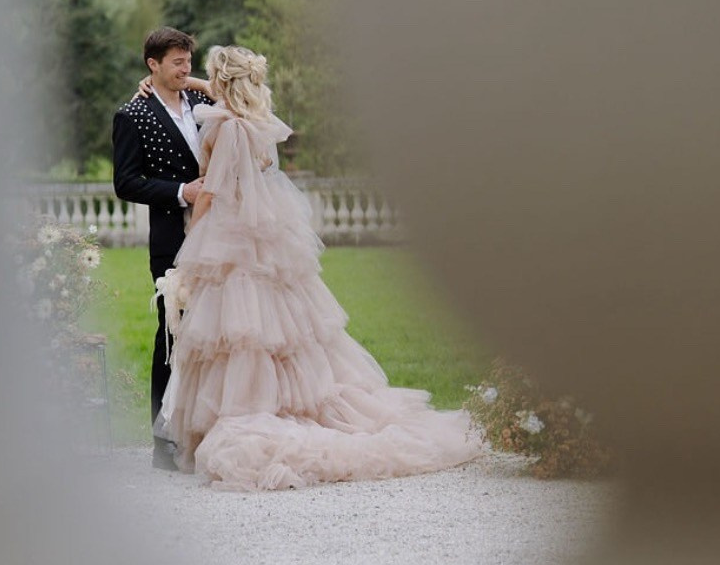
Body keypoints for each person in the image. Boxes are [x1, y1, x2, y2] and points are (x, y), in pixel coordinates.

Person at [156, 44, 485, 490]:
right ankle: (281, 404)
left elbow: (211, 192)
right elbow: (225, 98)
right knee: (277, 333)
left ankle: (254, 413)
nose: (201, 81)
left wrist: (192, 244)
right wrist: (188, 84)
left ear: (223, 82)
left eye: (209, 75)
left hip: (228, 237)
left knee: (240, 335)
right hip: (258, 241)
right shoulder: (251, 122)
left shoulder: (227, 128)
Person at [112, 27, 215, 469]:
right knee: (172, 335)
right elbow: (126, 182)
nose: (185, 68)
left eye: (188, 61)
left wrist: (195, 84)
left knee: (219, 334)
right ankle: (164, 443)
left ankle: (206, 432)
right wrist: (180, 192)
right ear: (152, 64)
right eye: (177, 62)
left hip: (219, 238)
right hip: (173, 241)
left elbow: (243, 104)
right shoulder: (132, 115)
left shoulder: (202, 103)